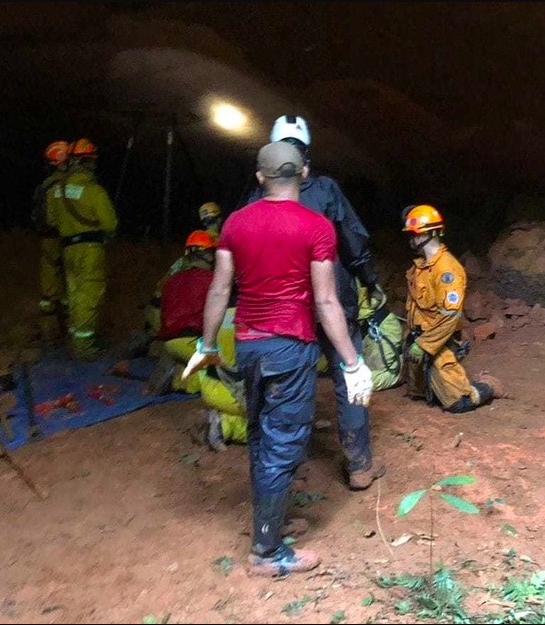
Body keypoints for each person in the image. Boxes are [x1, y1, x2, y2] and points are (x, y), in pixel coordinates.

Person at [183, 141, 374, 578]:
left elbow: (218, 290)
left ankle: (272, 520)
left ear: (259, 178)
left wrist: (207, 345)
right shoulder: (317, 227)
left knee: (259, 433)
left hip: (248, 343)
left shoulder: (235, 222)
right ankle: (267, 552)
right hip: (290, 346)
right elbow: (326, 301)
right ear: (304, 174)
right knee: (284, 443)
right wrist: (351, 361)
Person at [242, 114, 385, 491]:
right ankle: (359, 464)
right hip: (332, 299)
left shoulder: (257, 198)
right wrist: (369, 280)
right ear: (306, 159)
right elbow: (352, 240)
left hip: (284, 308)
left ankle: (288, 472)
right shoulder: (325, 189)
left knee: (289, 381)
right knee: (348, 371)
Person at [150, 230, 247, 451]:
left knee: (205, 364)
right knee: (275, 423)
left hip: (171, 343)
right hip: (193, 342)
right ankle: (224, 423)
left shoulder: (172, 280)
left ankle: (178, 377)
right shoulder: (212, 284)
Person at [402, 204, 503, 413]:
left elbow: (449, 316)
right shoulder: (421, 267)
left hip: (437, 341)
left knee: (458, 402)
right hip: (419, 337)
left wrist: (424, 345)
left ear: (429, 233)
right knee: (417, 393)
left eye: (414, 233)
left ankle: (488, 386)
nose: (411, 239)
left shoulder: (447, 270)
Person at [46, 137, 118, 361]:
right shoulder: (94, 191)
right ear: (88, 162)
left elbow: (51, 221)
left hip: (67, 248)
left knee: (74, 295)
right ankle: (83, 348)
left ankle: (74, 339)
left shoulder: (55, 191)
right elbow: (110, 224)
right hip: (90, 249)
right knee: (89, 296)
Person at [32, 140, 70, 346]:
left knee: (48, 288)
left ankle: (48, 334)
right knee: (67, 283)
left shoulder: (46, 185)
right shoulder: (65, 185)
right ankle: (65, 331)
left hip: (46, 239)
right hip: (62, 239)